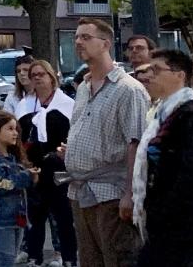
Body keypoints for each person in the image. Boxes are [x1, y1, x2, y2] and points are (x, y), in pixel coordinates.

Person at [63, 18, 148, 267]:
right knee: (89, 260)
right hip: (80, 190)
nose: (78, 42)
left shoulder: (128, 89)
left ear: (105, 44)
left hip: (111, 192)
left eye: (86, 37)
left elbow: (137, 143)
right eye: (76, 37)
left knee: (117, 258)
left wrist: (130, 194)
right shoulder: (82, 87)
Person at [133, 49, 193, 266]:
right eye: (147, 70)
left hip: (187, 222)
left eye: (156, 70)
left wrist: (163, 210)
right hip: (166, 220)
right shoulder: (162, 112)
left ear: (180, 75)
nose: (148, 76)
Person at [12, 57, 76, 267]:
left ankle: (68, 257)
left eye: (41, 74)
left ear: (51, 77)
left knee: (63, 217)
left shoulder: (67, 104)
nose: (37, 78)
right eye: (33, 75)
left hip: (59, 168)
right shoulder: (25, 105)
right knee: (35, 216)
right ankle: (34, 256)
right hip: (34, 169)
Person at [0, 110, 34, 267]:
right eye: (10, 129)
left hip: (17, 216)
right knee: (6, 258)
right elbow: (0, 185)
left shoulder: (12, 157)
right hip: (0, 217)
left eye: (16, 129)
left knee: (10, 257)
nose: (15, 133)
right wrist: (25, 177)